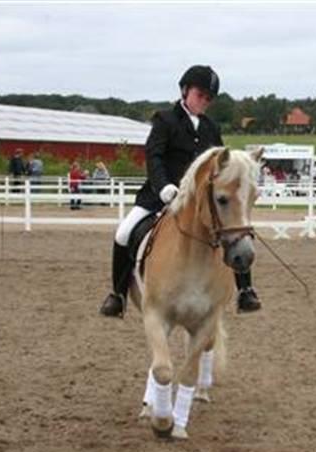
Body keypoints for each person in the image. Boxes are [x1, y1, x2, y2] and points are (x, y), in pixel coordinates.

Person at [99, 65, 261, 318]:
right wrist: (163, 186)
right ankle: (118, 294)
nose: (204, 102)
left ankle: (245, 289)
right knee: (123, 232)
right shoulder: (165, 120)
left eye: (208, 98)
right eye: (200, 95)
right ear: (185, 91)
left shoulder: (210, 128)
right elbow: (154, 156)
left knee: (233, 232)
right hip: (159, 196)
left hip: (198, 203)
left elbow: (221, 166)